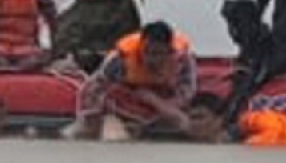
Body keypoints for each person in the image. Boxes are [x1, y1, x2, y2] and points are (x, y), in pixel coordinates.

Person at [72, 21, 205, 141]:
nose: (152, 60)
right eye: (147, 52)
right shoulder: (120, 60)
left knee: (184, 122)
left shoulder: (182, 61)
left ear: (169, 51)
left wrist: (158, 104)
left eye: (158, 54)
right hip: (122, 102)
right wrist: (89, 118)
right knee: (110, 135)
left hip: (161, 104)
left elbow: (187, 92)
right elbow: (94, 88)